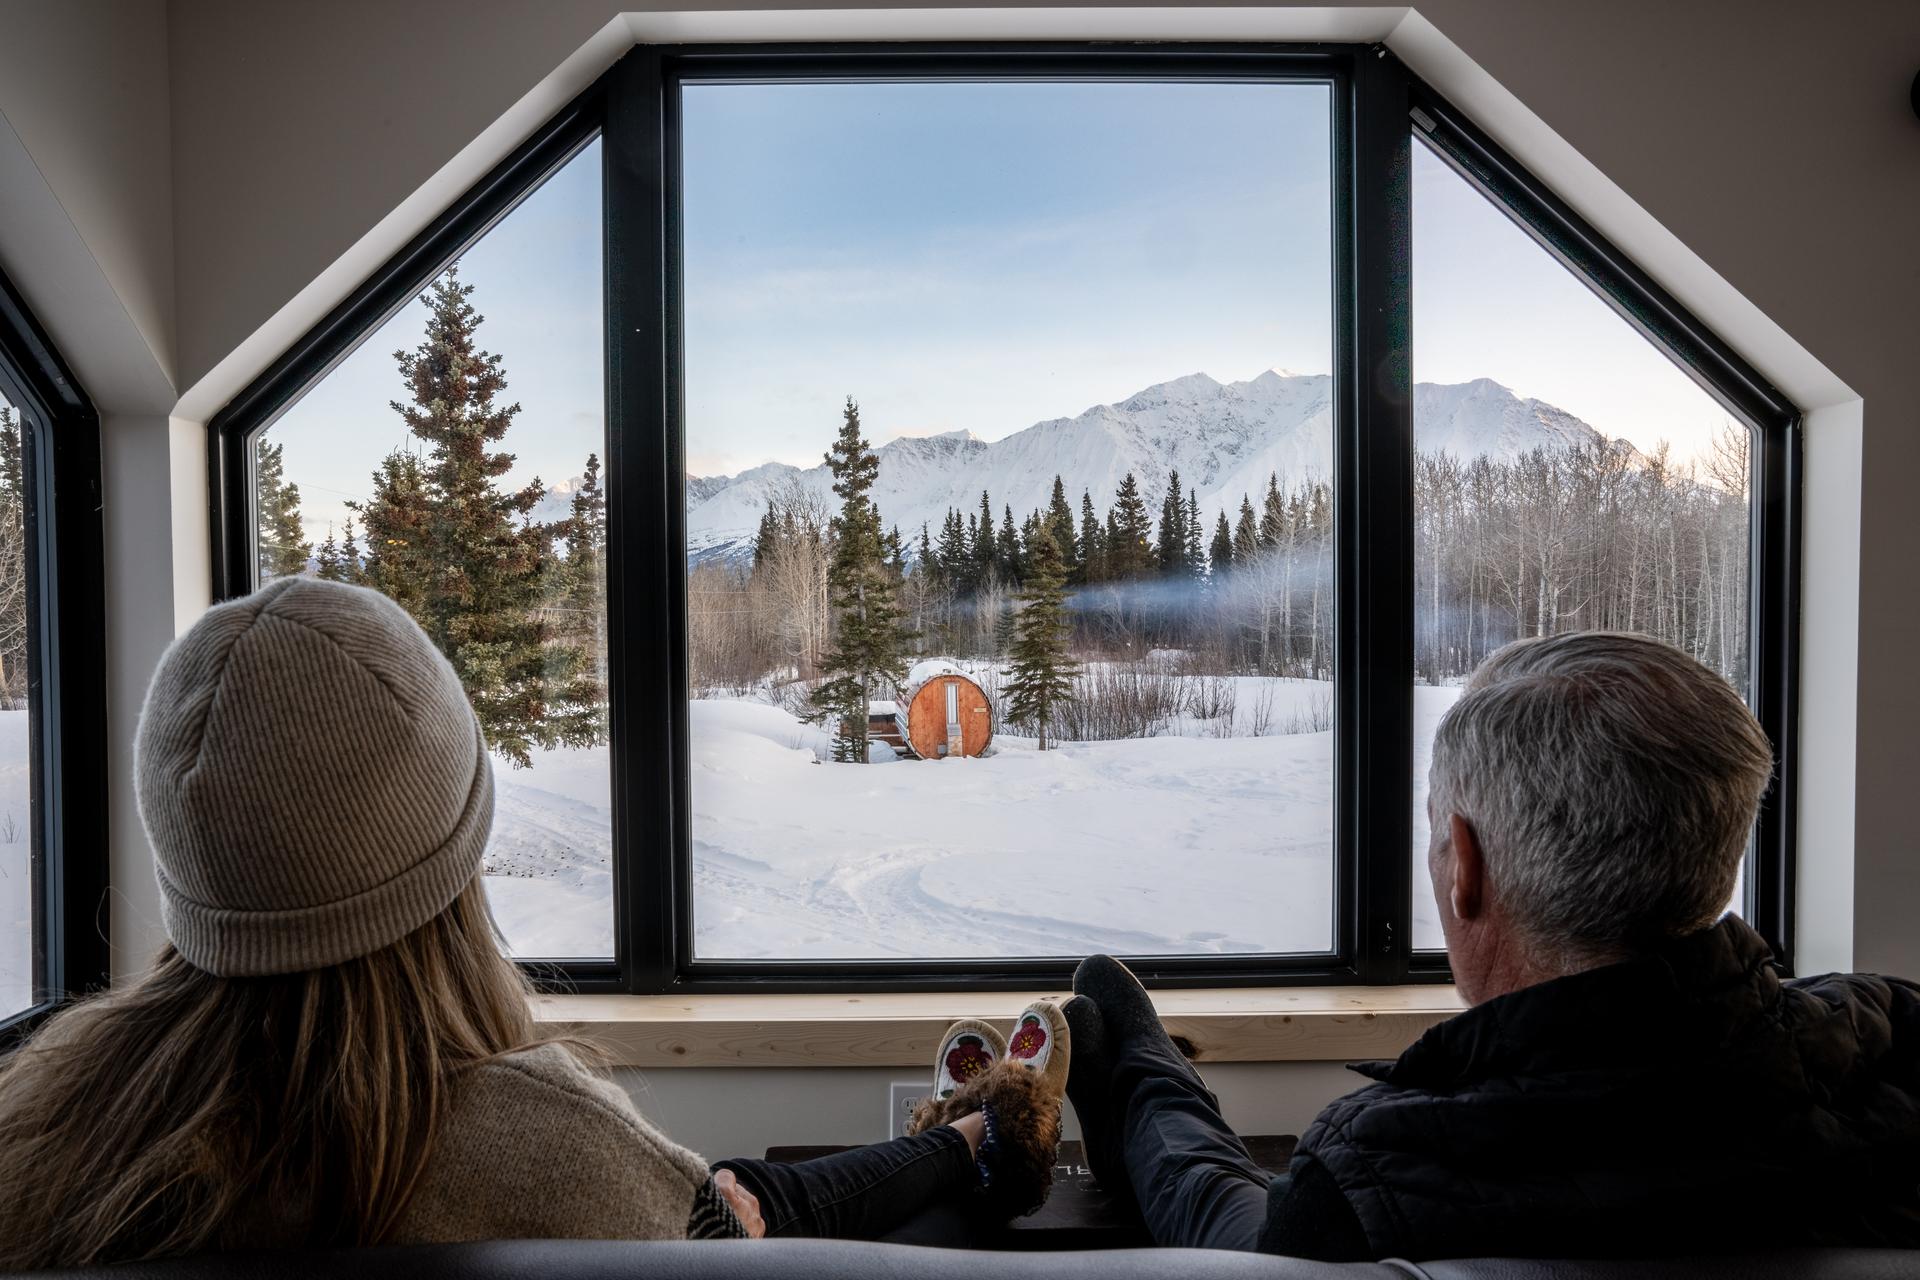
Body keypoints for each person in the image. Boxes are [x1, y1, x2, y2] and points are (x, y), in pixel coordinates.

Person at [0, 578, 1068, 1270]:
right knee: (750, 1198)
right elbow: (711, 1233)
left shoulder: (45, 1117)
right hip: (696, 1224)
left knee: (737, 1182)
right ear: (450, 857)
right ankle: (985, 1137)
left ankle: (969, 1134)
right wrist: (715, 1209)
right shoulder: (535, 1137)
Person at [1065, 631, 1920, 1260]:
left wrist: (1145, 1074)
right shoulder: (1893, 1043)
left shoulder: (1381, 1177)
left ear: (1464, 867)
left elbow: (1236, 1237)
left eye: (1437, 832)